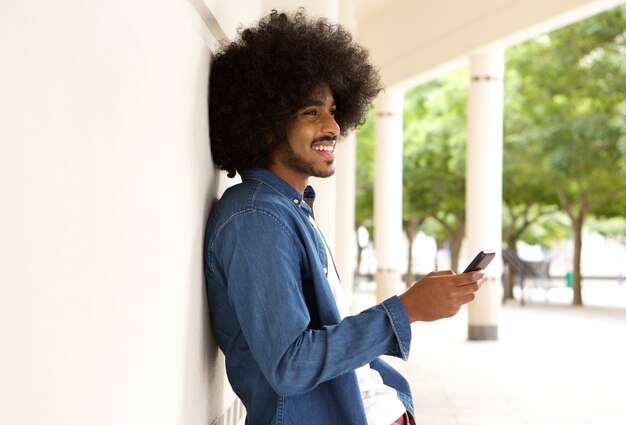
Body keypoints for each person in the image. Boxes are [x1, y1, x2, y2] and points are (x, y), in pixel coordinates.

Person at [204, 9, 483, 425]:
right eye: (311, 113)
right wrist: (406, 308)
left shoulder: (290, 209)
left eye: (334, 110)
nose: (333, 126)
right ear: (264, 126)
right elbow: (290, 364)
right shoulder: (256, 218)